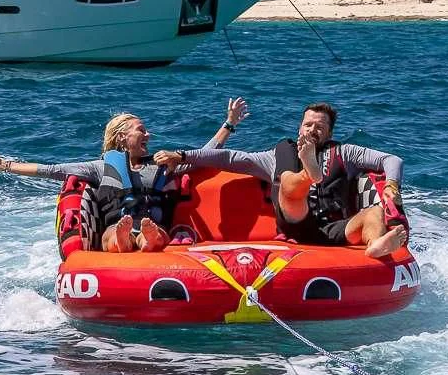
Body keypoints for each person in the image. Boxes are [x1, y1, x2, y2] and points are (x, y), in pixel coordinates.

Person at [0, 100, 244, 252]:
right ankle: (124, 240)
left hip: (155, 224)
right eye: (141, 130)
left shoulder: (166, 163)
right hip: (117, 223)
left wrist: (229, 124)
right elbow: (52, 170)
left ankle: (144, 239)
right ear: (123, 137)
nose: (148, 135)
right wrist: (5, 164)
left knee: (156, 233)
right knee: (114, 233)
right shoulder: (102, 167)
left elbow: (207, 154)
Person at [154, 101, 408, 259]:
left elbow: (392, 160)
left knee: (374, 213)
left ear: (330, 133)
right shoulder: (275, 156)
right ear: (299, 128)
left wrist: (392, 185)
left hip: (335, 229)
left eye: (319, 127)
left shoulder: (346, 153)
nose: (312, 130)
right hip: (296, 224)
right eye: (307, 125)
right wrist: (183, 155)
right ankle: (309, 173)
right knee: (289, 186)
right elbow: (230, 158)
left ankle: (377, 246)